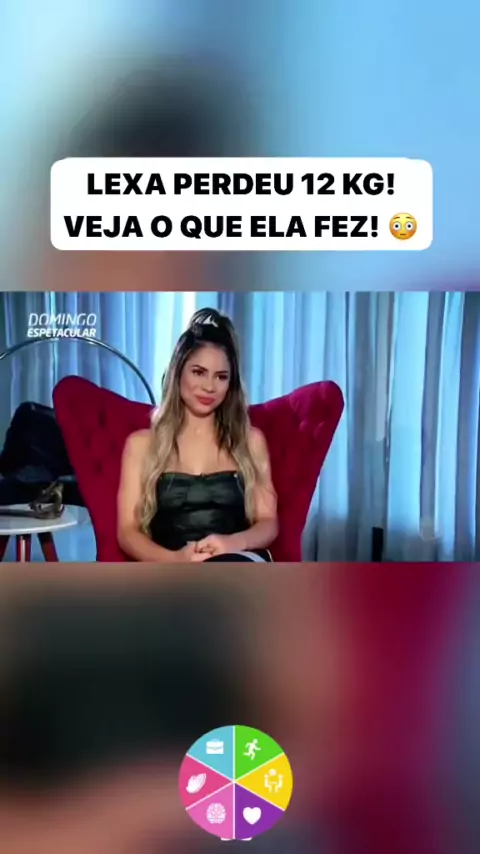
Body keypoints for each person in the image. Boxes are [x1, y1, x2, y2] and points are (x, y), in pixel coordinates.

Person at [117, 308, 278, 562]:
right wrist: (176, 561)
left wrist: (232, 543)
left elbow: (268, 522)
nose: (209, 387)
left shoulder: (250, 441)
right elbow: (127, 532)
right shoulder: (141, 445)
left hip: (238, 560)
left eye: (221, 377)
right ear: (177, 371)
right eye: (199, 372)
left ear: (231, 384)